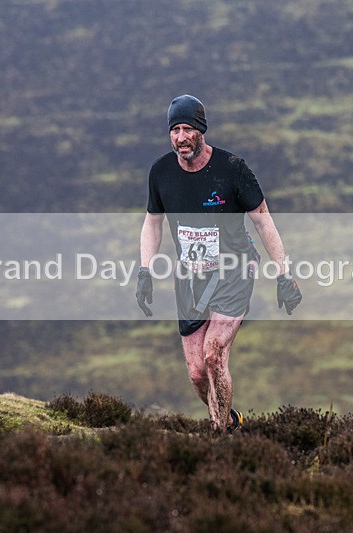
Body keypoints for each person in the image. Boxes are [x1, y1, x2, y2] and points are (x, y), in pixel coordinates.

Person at [136, 95, 302, 432]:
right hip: (190, 278)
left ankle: (219, 438)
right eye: (174, 130)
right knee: (198, 372)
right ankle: (229, 421)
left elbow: (263, 220)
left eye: (187, 129)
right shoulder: (161, 172)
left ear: (201, 130)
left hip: (235, 272)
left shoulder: (233, 169)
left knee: (214, 354)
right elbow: (153, 222)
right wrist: (145, 271)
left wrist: (283, 275)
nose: (180, 137)